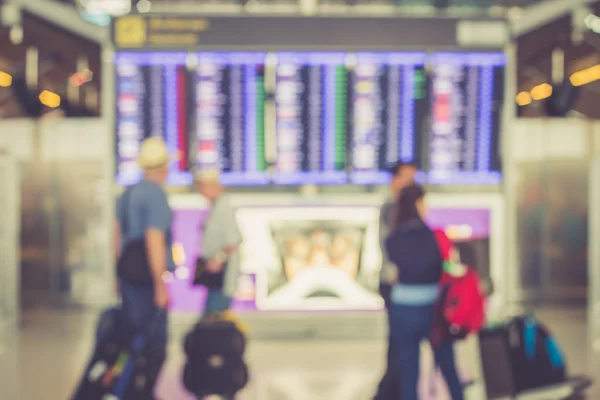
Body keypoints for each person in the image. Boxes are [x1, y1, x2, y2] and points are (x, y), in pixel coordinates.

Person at [385, 184, 464, 400]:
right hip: (433, 310)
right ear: (418, 203)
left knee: (409, 373)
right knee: (448, 366)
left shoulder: (393, 238)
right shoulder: (434, 236)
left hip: (403, 310)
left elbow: (393, 273)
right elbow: (446, 268)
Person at [114, 137, 173, 393]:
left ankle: (128, 388)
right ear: (164, 168)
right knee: (154, 343)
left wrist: (117, 276)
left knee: (131, 338)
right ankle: (143, 392)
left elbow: (116, 238)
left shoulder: (127, 194)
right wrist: (160, 285)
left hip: (128, 273)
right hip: (147, 278)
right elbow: (154, 239)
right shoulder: (156, 194)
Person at [374, 161, 417, 400]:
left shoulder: (403, 208)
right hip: (394, 284)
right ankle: (390, 392)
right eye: (408, 177)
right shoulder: (392, 208)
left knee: (400, 340)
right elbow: (391, 246)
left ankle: (393, 391)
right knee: (398, 340)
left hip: (401, 284)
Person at [195, 169, 242, 316]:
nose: (200, 191)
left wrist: (218, 259)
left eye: (203, 186)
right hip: (213, 277)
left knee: (215, 318)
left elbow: (233, 241)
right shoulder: (215, 207)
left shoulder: (223, 207)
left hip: (222, 277)